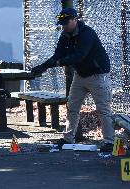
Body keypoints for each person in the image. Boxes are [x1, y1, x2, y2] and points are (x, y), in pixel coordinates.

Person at [31, 8, 114, 152]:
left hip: (97, 76)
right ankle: (68, 138)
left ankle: (109, 142)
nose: (64, 26)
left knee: (103, 110)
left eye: (66, 23)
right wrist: (43, 66)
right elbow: (58, 55)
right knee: (72, 107)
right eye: (62, 24)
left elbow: (78, 55)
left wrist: (57, 63)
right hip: (80, 75)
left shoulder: (87, 33)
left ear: (75, 20)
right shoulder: (65, 35)